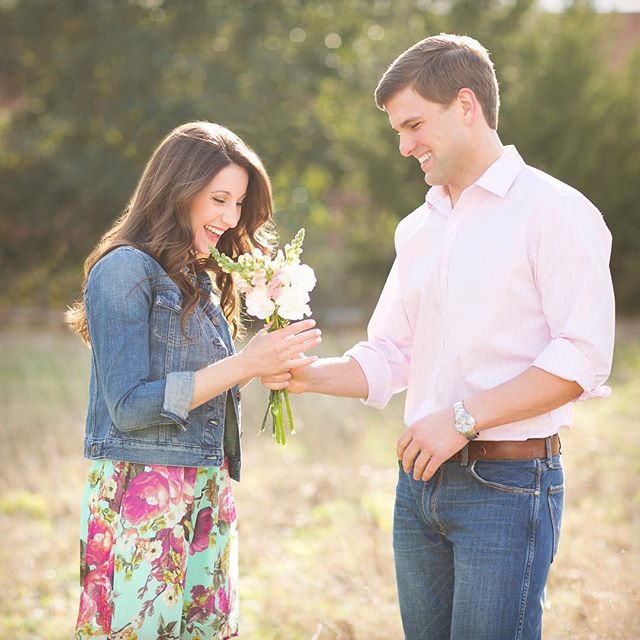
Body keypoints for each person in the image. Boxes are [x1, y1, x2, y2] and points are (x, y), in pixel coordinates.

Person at [262, 34, 615, 639]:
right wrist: (306, 375)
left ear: (467, 105)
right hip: (418, 486)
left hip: (507, 487)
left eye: (415, 125)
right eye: (398, 131)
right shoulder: (419, 228)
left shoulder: (555, 212)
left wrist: (461, 419)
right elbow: (392, 352)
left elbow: (581, 358)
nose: (404, 146)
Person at [65, 121, 322, 640]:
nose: (230, 219)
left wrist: (261, 367)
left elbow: (197, 394)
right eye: (219, 199)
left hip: (206, 485)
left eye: (239, 203)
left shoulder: (196, 279)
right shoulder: (123, 270)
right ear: (178, 191)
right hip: (143, 494)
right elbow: (132, 407)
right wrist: (245, 363)